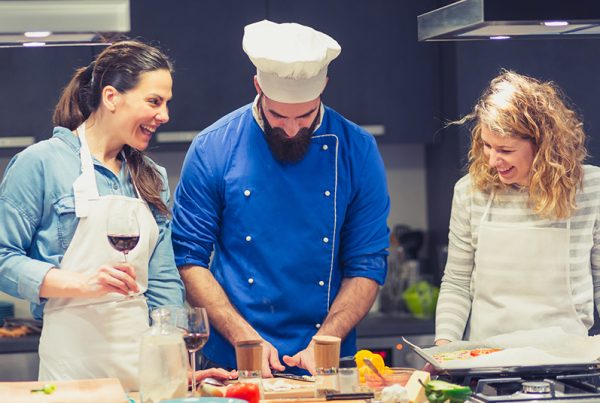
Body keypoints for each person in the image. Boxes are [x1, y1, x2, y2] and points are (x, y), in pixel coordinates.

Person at [0, 40, 234, 390]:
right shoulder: (41, 164)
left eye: (167, 103)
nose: (165, 115)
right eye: (154, 101)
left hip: (145, 375)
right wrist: (81, 284)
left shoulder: (151, 176)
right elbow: (3, 258)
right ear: (111, 97)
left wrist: (174, 368)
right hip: (71, 374)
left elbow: (163, 283)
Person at [172, 20, 390, 376]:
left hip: (328, 359)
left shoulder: (358, 149)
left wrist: (325, 340)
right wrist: (245, 340)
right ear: (257, 87)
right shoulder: (213, 147)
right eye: (277, 115)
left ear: (324, 90)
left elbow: (367, 263)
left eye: (304, 116)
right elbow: (189, 257)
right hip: (232, 359)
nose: (291, 129)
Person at [435, 70, 600, 344]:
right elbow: (457, 283)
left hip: (568, 360)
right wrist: (444, 348)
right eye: (487, 146)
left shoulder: (590, 189)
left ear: (544, 146)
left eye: (506, 150)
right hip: (487, 361)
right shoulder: (470, 192)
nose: (492, 160)